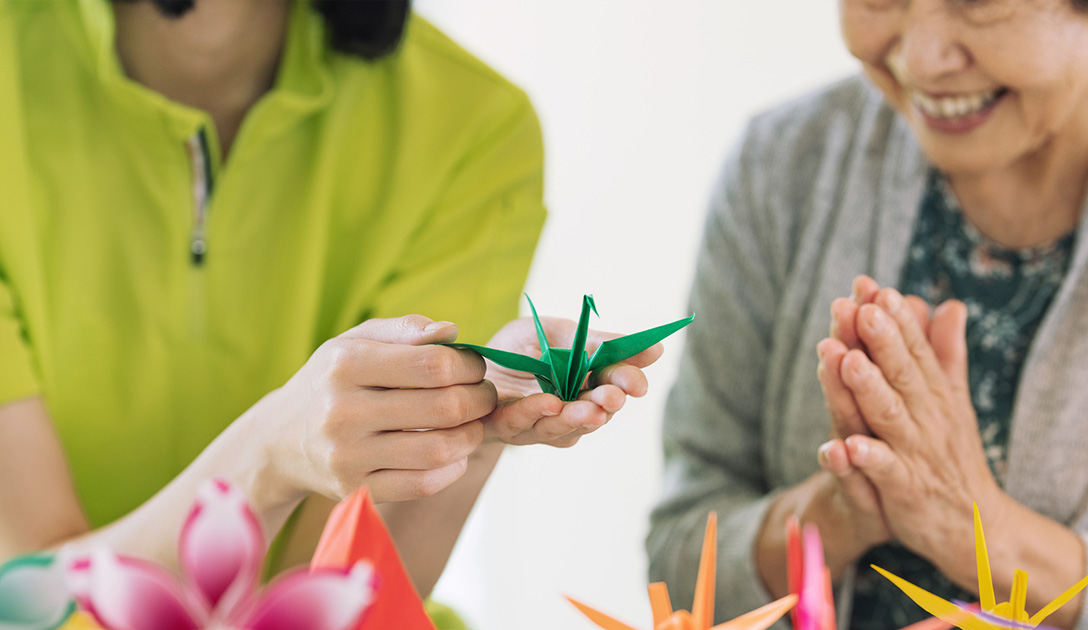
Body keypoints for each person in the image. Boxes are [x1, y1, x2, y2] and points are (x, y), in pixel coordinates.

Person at [0, 0, 660, 610]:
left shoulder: (469, 123)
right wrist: (271, 452)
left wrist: (470, 422)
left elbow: (330, 596)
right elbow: (29, 604)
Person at [648, 0, 1088, 628]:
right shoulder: (782, 166)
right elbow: (678, 560)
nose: (920, 59)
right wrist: (841, 509)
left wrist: (978, 533)